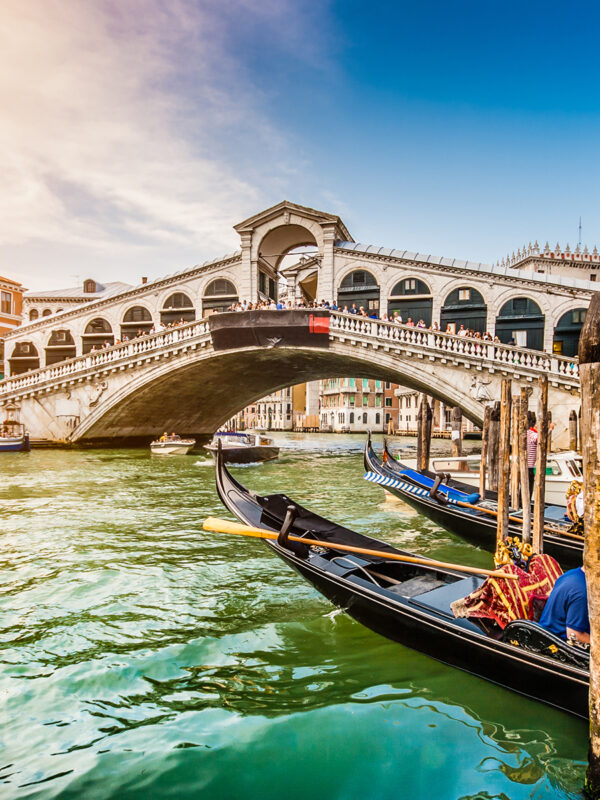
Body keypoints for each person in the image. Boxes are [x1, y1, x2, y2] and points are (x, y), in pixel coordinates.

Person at [539, 566, 590, 644]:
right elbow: (574, 635)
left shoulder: (571, 573)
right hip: (558, 643)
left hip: (547, 632)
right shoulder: (583, 593)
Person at [526, 413, 556, 493]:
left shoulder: (528, 432)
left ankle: (522, 499)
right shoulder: (533, 434)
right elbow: (541, 439)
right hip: (529, 465)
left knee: (525, 484)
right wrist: (550, 429)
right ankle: (526, 499)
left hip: (526, 464)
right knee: (529, 484)